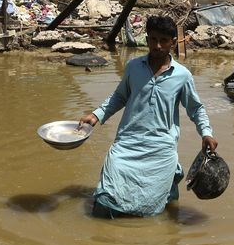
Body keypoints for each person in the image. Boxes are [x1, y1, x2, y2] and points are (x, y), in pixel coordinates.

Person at [79, 15, 218, 218]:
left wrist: (206, 133)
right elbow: (120, 96)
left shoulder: (182, 75)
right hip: (127, 142)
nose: (158, 46)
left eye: (164, 40)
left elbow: (196, 109)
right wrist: (96, 115)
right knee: (108, 188)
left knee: (155, 204)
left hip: (161, 146)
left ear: (173, 42)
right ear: (147, 38)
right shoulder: (134, 67)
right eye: (153, 39)